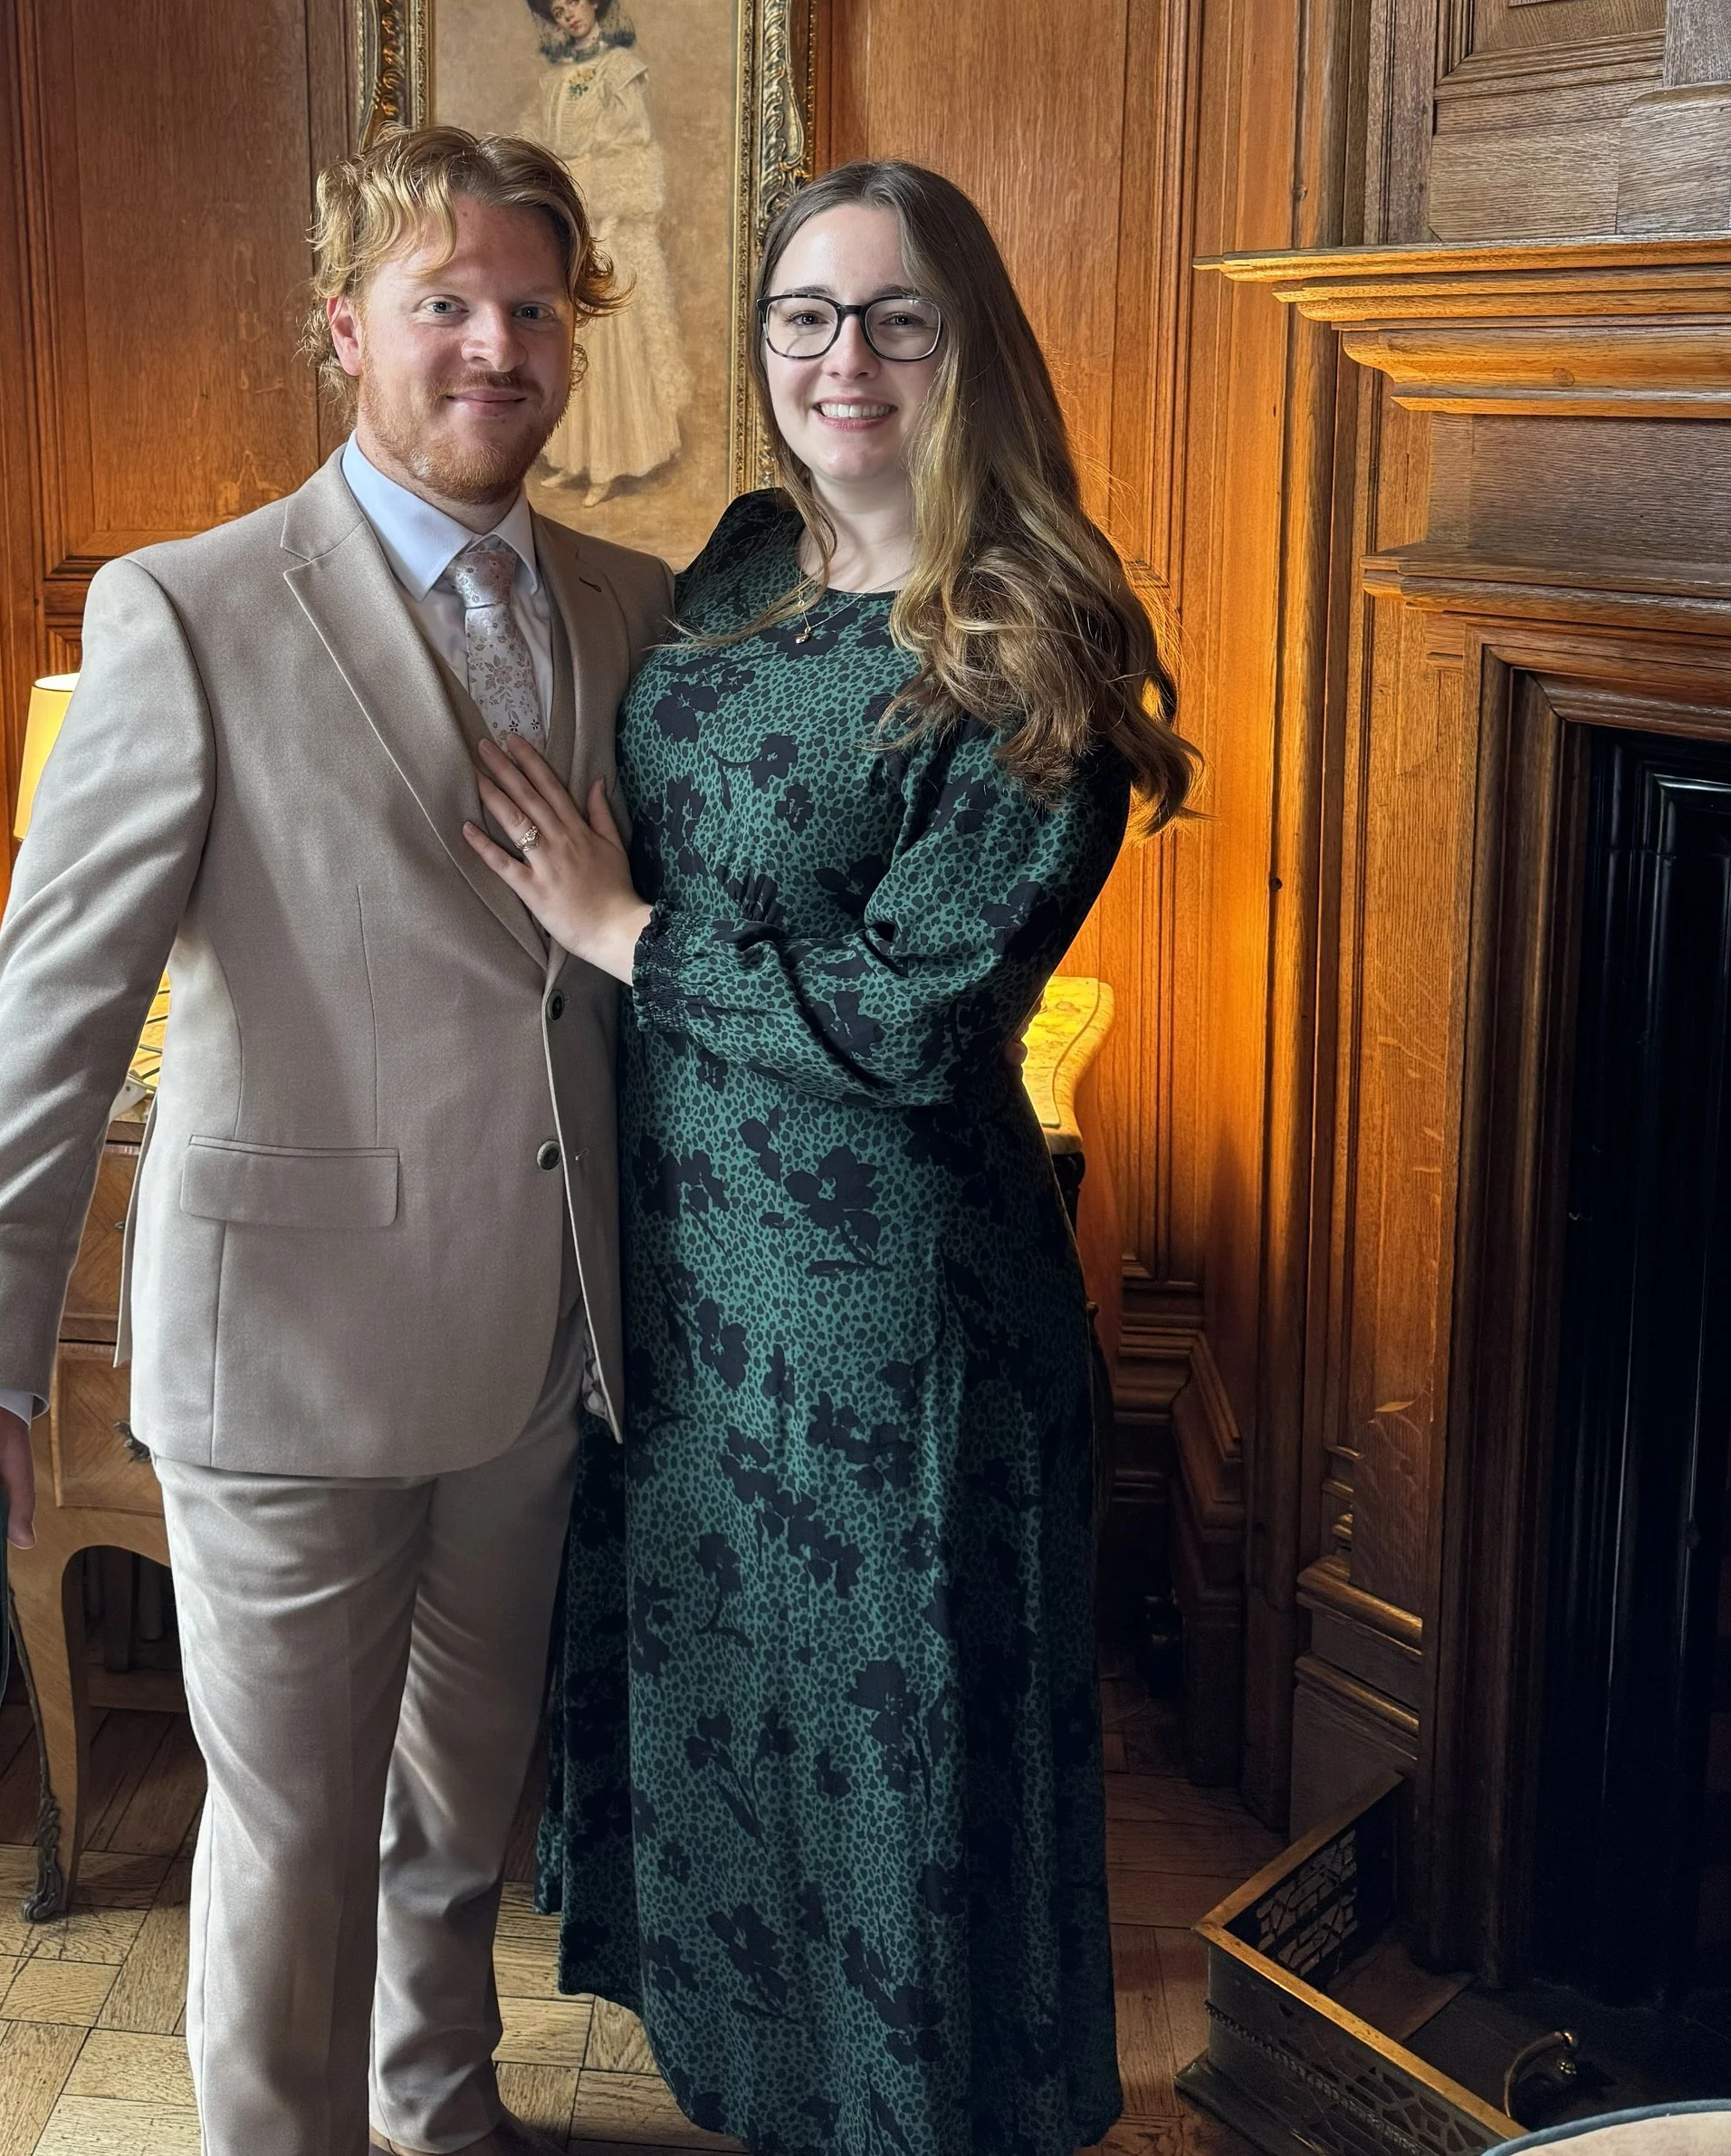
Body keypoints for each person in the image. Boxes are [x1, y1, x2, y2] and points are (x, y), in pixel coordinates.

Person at [0, 126, 674, 2156]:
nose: (491, 341)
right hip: (281, 1353)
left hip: (540, 1352)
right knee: (287, 1852)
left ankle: (442, 2121)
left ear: (574, 339)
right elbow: (53, 1001)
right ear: (343, 327)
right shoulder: (184, 608)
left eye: (529, 306)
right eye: (441, 300)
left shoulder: (636, 606)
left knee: (460, 1827)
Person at [463, 159, 1198, 2156]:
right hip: (696, 1311)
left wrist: (621, 933)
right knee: (753, 1787)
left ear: (968, 350)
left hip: (900, 1334)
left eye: (894, 317)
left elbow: (907, 1016)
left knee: (899, 1804)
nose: (841, 357)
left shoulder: (1037, 633)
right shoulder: (729, 565)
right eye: (803, 313)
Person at [517, 0, 691, 499]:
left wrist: (610, 216)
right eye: (558, 10)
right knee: (574, 336)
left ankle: (612, 463)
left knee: (614, 339)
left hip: (611, 221)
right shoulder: (553, 82)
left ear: (593, 2)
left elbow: (633, 148)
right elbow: (538, 146)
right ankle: (577, 455)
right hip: (570, 213)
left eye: (574, 2)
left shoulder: (620, 69)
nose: (569, 15)